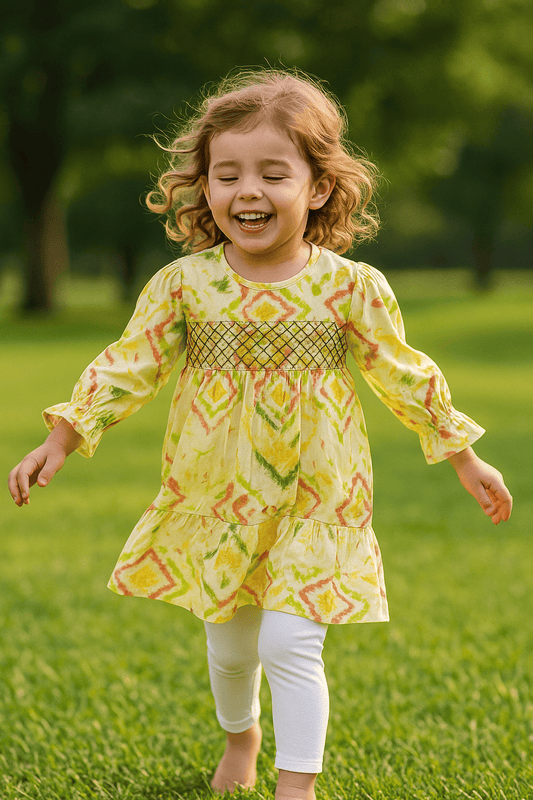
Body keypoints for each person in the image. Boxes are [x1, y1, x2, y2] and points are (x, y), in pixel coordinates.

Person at [8, 69, 512, 800]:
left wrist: (464, 458)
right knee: (233, 646)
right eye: (227, 174)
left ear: (316, 187)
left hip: (320, 491)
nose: (247, 191)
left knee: (289, 640)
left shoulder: (350, 287)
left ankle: (296, 786)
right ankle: (240, 734)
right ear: (203, 187)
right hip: (219, 490)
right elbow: (129, 364)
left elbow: (402, 372)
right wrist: (63, 436)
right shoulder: (185, 284)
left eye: (273, 174)